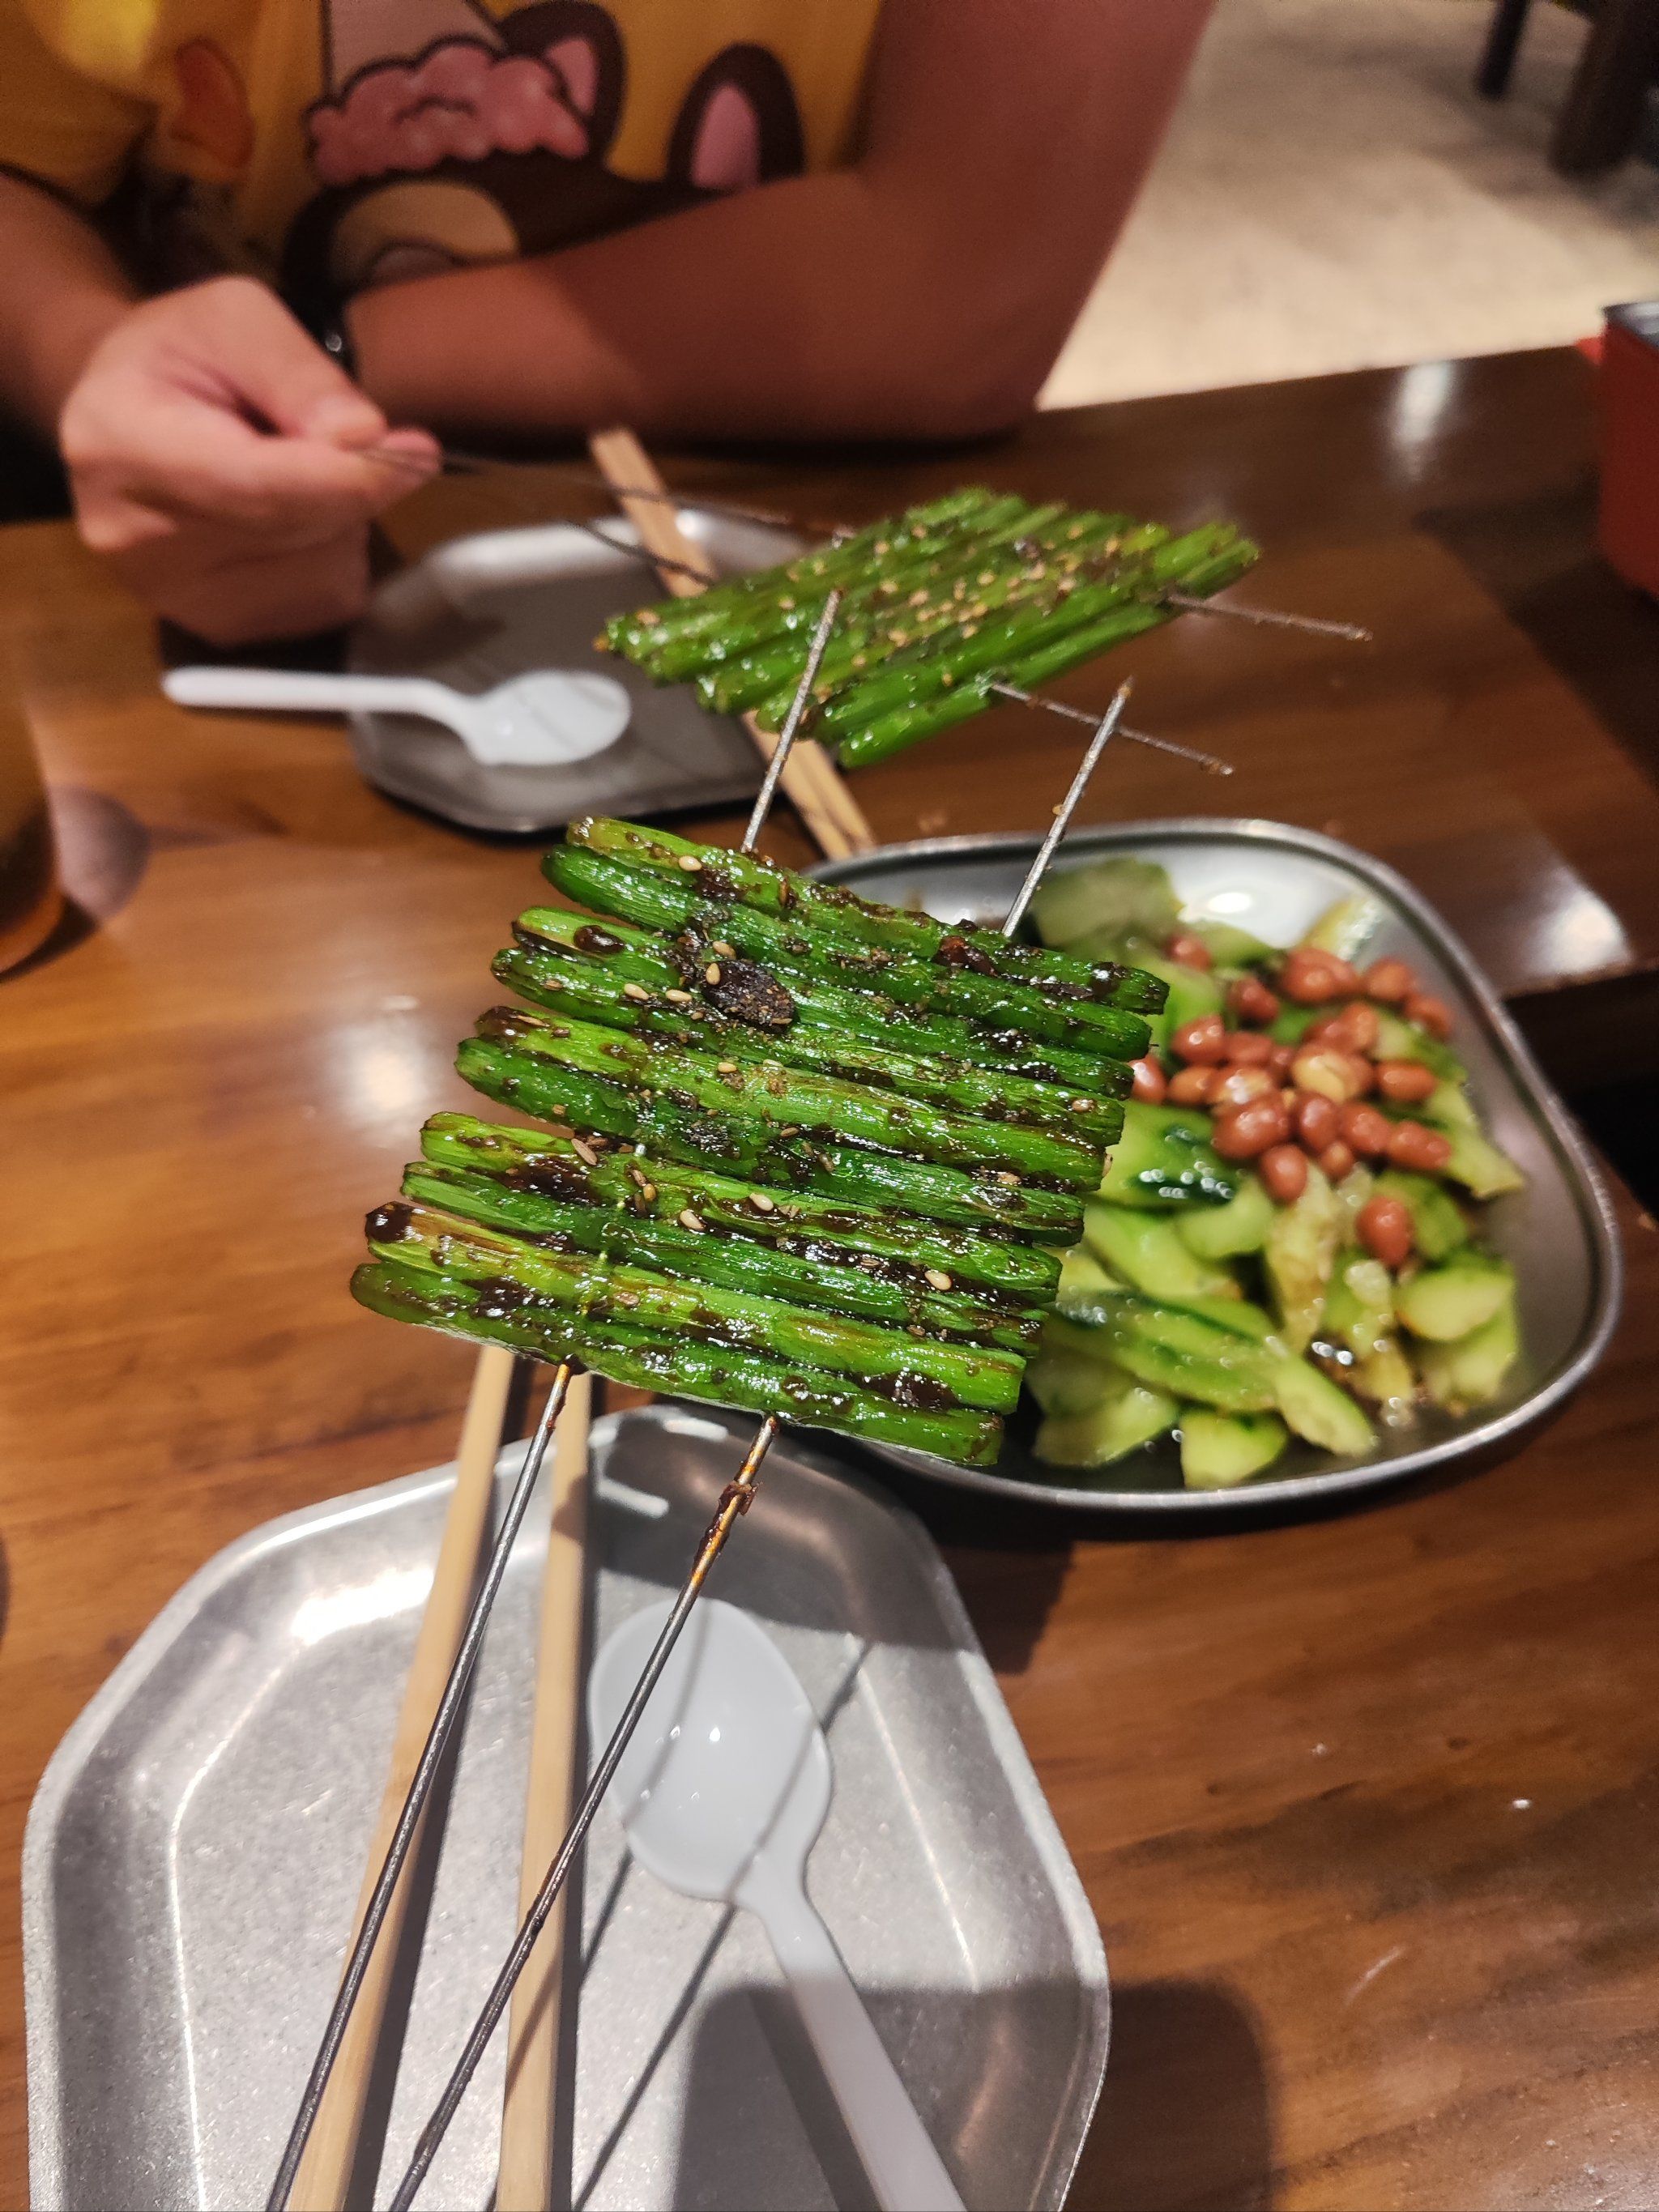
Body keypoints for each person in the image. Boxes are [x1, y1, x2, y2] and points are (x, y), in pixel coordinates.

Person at [0, 0, 1212, 643]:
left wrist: (326, 364)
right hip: (212, 566)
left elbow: (961, 296)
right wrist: (103, 362)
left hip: (826, 535)